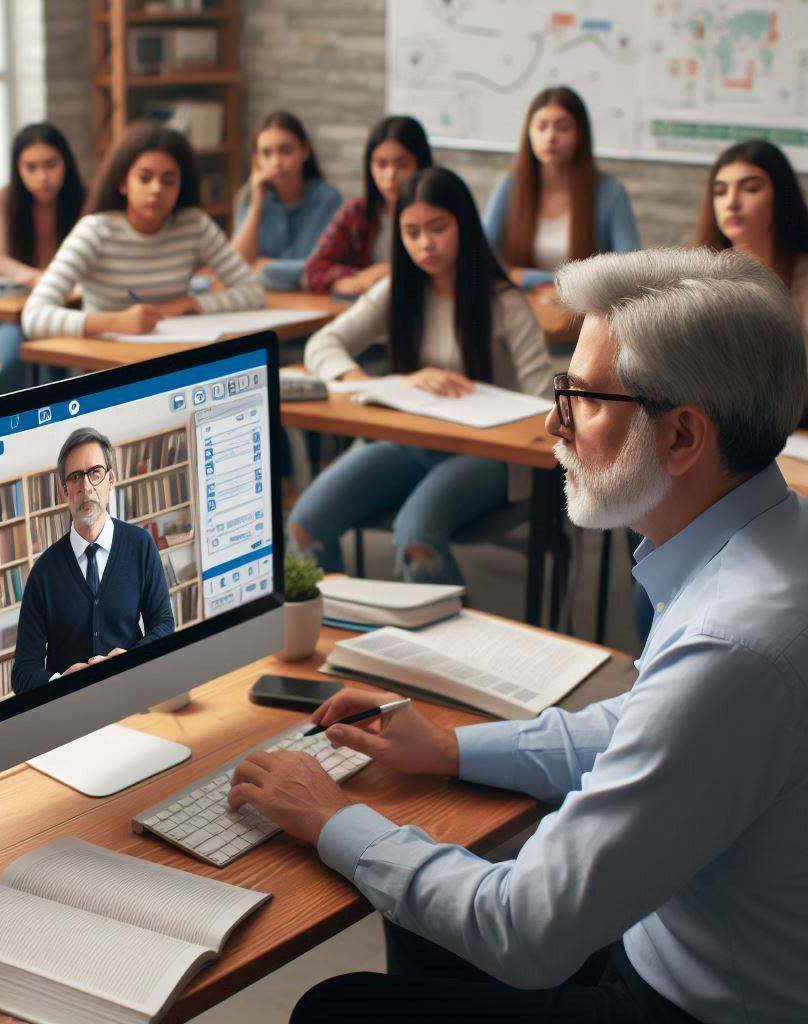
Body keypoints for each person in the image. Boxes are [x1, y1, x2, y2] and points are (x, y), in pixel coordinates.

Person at [229, 246, 808, 1023]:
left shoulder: (735, 644)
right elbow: (646, 725)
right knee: (423, 909)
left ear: (682, 438)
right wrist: (452, 749)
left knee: (337, 1008)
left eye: (581, 399)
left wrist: (331, 818)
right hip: (678, 941)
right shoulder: (767, 542)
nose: (550, 422)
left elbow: (525, 932)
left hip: (691, 1005)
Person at [288, 167, 550, 587]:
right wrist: (382, 385)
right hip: (409, 442)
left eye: (437, 228)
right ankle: (335, 629)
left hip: (487, 455)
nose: (424, 243)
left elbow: (544, 401)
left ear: (464, 224)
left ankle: (439, 648)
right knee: (304, 525)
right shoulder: (398, 291)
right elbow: (321, 345)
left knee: (415, 537)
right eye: (411, 232)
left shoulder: (505, 303)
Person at [22, 122, 264, 339]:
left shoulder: (194, 225)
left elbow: (252, 293)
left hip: (173, 360)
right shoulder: (95, 231)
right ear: (123, 182)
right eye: (145, 178)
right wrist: (116, 322)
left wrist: (189, 304)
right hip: (107, 368)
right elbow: (34, 316)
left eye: (169, 181)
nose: (157, 189)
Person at [11, 428, 174, 694]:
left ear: (111, 479)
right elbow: (23, 674)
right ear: (64, 492)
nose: (85, 486)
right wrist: (61, 682)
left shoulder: (141, 544)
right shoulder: (43, 573)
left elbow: (164, 624)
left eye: (94, 473)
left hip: (135, 691)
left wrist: (131, 661)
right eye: (75, 477)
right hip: (71, 710)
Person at [483, 86, 639, 293]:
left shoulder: (610, 193)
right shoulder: (510, 187)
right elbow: (480, 255)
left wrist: (530, 278)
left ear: (580, 135)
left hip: (585, 312)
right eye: (541, 126)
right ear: (528, 133)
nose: (550, 137)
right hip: (523, 309)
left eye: (563, 127)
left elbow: (632, 269)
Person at [0, 122, 85, 393]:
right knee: (13, 356)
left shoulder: (85, 199)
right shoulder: (6, 198)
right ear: (18, 168)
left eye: (51, 165)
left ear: (66, 163)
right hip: (17, 308)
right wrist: (36, 277)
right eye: (31, 167)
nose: (42, 176)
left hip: (72, 306)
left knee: (62, 367)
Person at [694, 138, 808, 347]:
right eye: (720, 192)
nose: (731, 203)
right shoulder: (697, 279)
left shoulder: (803, 277)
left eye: (751, 188)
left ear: (781, 196)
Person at [302, 115, 432, 296]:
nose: (390, 175)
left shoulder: (435, 213)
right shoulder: (357, 212)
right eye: (381, 164)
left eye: (401, 165)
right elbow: (312, 272)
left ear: (420, 165)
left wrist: (392, 272)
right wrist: (362, 277)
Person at [231, 111, 342, 291]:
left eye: (286, 150)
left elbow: (317, 268)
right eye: (266, 153)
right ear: (256, 159)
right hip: (261, 302)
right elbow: (235, 267)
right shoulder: (247, 197)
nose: (276, 162)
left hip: (311, 302)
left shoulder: (327, 198)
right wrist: (257, 203)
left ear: (305, 150)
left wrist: (264, 267)